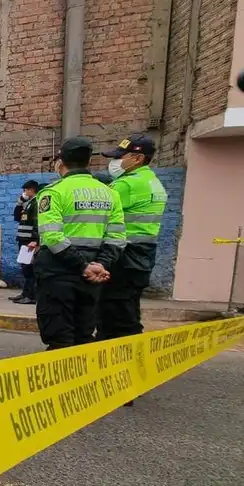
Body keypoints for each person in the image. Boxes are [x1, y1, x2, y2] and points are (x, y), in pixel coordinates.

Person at [34, 137, 126, 350]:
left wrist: (83, 266)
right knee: (83, 335)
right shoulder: (110, 193)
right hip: (93, 275)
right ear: (88, 161)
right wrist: (100, 264)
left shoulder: (54, 192)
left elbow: (52, 236)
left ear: (60, 162)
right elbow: (117, 237)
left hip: (59, 271)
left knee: (59, 337)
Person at [96, 134, 167, 346]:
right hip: (142, 254)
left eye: (120, 157)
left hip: (123, 256)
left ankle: (115, 355)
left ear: (138, 158)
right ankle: (132, 353)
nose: (115, 161)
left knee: (112, 313)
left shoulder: (127, 185)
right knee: (128, 310)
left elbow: (100, 212)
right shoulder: (152, 182)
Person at [10, 180, 41, 304]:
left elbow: (37, 222)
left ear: (32, 190)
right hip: (23, 240)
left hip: (29, 241)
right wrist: (20, 202)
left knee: (30, 269)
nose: (24, 192)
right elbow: (17, 217)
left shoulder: (36, 203)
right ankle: (25, 293)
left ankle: (31, 295)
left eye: (26, 190)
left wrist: (35, 240)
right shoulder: (28, 203)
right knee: (25, 268)